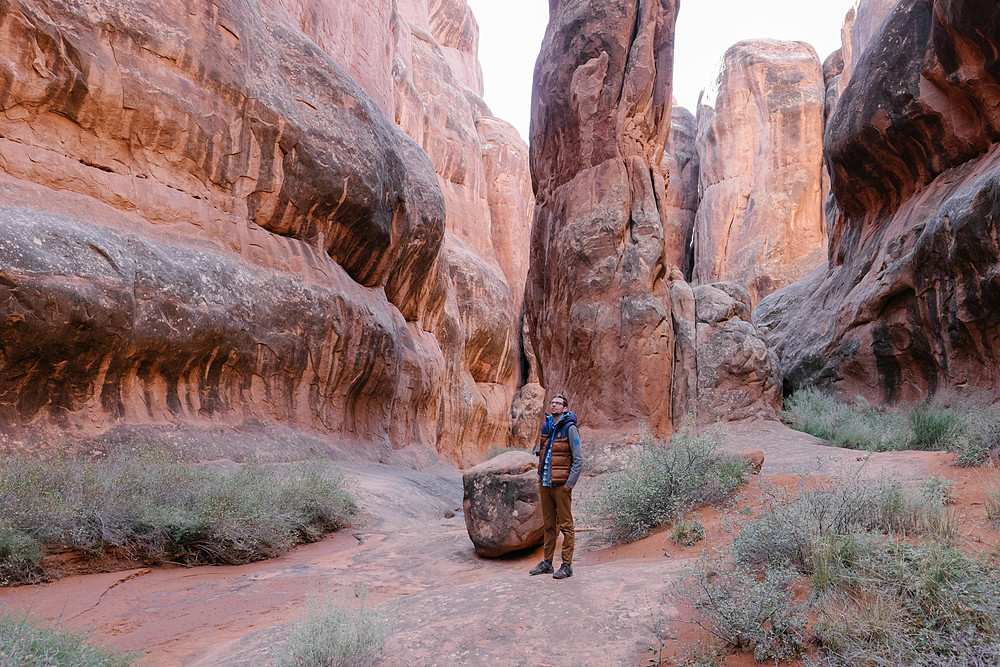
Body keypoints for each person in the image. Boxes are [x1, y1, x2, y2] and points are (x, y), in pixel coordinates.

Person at [529, 393, 583, 579]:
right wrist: (539, 478)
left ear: (565, 408)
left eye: (558, 403)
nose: (554, 405)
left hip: (561, 485)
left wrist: (569, 484)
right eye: (552, 403)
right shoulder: (546, 426)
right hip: (545, 483)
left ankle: (567, 565)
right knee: (549, 525)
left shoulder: (570, 428)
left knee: (566, 526)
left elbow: (578, 459)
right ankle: (547, 563)